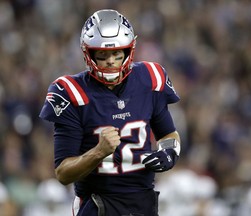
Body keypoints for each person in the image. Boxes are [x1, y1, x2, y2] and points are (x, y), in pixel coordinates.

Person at [39, 9, 181, 216]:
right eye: (102, 55)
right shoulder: (71, 92)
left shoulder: (150, 78)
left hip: (143, 200)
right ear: (89, 53)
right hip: (97, 203)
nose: (111, 61)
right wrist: (98, 152)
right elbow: (63, 173)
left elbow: (168, 134)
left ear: (129, 50)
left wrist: (170, 152)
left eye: (117, 53)